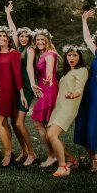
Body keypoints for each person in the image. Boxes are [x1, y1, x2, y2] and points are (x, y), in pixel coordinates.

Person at [74, 9, 97, 174]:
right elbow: (87, 38)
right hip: (90, 94)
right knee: (84, 126)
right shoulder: (96, 53)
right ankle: (94, 158)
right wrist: (84, 21)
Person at [47, 45, 88, 177]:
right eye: (69, 55)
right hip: (59, 107)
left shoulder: (82, 70)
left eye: (75, 55)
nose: (71, 57)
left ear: (79, 57)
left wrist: (73, 94)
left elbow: (79, 89)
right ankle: (71, 160)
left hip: (69, 106)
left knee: (52, 135)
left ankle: (63, 166)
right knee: (50, 136)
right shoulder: (67, 72)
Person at [5, 2, 36, 166]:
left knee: (19, 122)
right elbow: (12, 29)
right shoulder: (17, 48)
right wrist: (8, 14)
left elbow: (30, 67)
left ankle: (32, 153)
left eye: (26, 36)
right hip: (16, 87)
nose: (23, 38)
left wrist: (32, 84)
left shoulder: (30, 49)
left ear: (30, 38)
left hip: (27, 87)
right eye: (21, 36)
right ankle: (24, 151)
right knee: (13, 121)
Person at [0, 25, 27, 167]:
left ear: (9, 39)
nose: (1, 39)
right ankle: (10, 152)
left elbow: (17, 74)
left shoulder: (14, 53)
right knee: (4, 123)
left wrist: (21, 93)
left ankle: (7, 154)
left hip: (7, 91)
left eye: (4, 37)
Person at [29, 28, 58, 167]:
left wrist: (48, 79)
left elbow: (49, 72)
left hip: (48, 90)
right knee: (42, 124)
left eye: (42, 39)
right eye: (38, 40)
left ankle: (52, 155)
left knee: (41, 124)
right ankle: (57, 155)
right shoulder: (41, 53)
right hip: (43, 89)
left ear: (47, 40)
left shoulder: (49, 54)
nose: (40, 42)